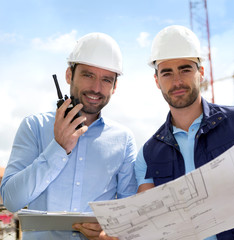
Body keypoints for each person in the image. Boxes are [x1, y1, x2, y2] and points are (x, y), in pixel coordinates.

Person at [100, 25, 234, 240]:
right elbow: (150, 223)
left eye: (185, 69)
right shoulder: (148, 154)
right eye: (167, 73)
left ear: (201, 73)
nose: (177, 81)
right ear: (157, 81)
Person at [0, 32, 138, 240]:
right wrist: (58, 147)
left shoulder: (124, 139)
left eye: (106, 80)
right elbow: (12, 200)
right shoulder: (34, 126)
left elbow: (130, 216)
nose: (96, 88)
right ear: (68, 75)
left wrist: (107, 233)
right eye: (88, 75)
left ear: (115, 86)